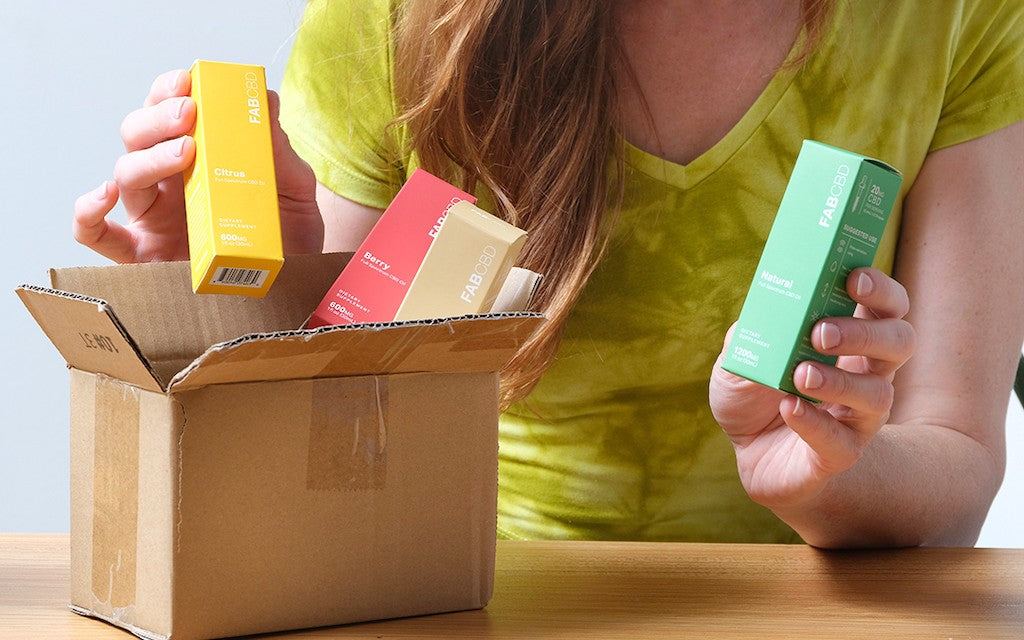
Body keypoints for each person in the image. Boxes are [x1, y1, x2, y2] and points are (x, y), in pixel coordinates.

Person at [73, 0, 1024, 547]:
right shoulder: (392, 20)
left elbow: (958, 465)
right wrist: (226, 312)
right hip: (462, 587)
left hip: (813, 599)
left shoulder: (954, 18)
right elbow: (324, 471)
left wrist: (826, 479)